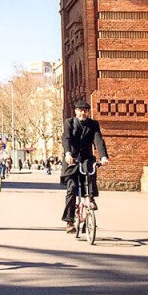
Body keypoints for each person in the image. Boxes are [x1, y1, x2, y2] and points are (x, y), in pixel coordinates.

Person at [61, 99, 109, 233]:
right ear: (76, 111)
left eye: (86, 111)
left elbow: (98, 140)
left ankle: (90, 199)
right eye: (81, 111)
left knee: (90, 172)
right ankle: (69, 221)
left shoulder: (93, 124)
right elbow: (66, 139)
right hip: (72, 160)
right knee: (72, 189)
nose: (83, 113)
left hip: (86, 158)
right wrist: (68, 153)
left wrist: (103, 156)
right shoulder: (69, 123)